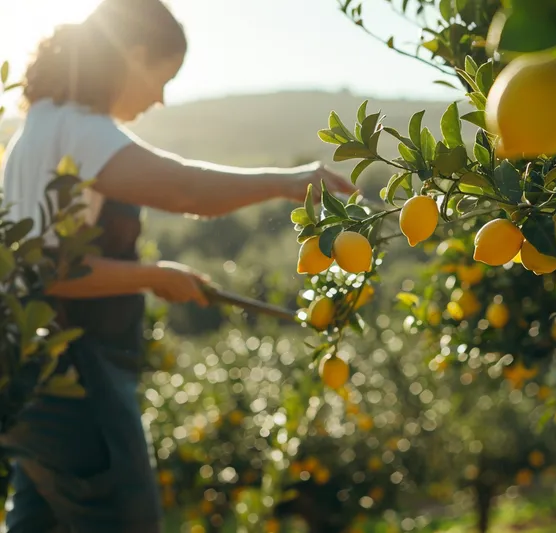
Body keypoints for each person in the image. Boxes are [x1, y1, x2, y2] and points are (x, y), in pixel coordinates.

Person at [0, 0, 356, 531]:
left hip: (30, 374)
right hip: (76, 377)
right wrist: (287, 181)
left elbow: (49, 268)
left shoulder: (37, 129)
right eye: (162, 78)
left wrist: (158, 274)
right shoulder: (80, 127)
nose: (160, 98)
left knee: (40, 522)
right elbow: (182, 187)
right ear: (133, 55)